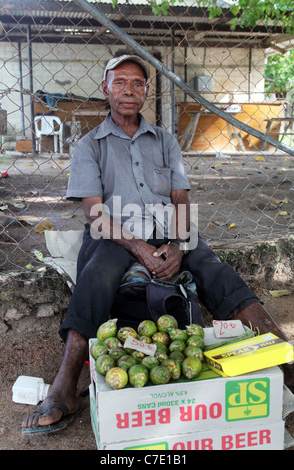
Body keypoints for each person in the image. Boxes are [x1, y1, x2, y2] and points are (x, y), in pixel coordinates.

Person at [22, 54, 294, 433]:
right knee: (97, 275)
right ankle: (65, 386)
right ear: (105, 88)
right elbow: (95, 215)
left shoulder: (165, 140)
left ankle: (285, 361)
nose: (128, 91)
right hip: (114, 232)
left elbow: (181, 200)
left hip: (168, 230)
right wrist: (140, 248)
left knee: (216, 271)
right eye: (120, 82)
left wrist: (179, 244)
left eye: (137, 83)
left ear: (146, 92)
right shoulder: (89, 146)